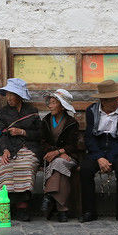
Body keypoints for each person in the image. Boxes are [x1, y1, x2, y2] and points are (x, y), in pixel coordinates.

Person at [80, 80, 118, 222]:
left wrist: (109, 158)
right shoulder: (92, 111)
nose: (117, 101)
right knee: (85, 169)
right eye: (113, 99)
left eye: (117, 98)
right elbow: (89, 138)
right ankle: (89, 211)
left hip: (117, 149)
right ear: (103, 101)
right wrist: (99, 157)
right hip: (97, 148)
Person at [0, 78, 41, 221]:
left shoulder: (32, 111)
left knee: (26, 166)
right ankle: (9, 206)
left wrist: (22, 132)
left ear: (19, 95)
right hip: (10, 148)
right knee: (6, 166)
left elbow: (40, 134)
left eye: (12, 94)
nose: (8, 98)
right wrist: (5, 150)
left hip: (29, 148)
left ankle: (23, 207)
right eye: (7, 94)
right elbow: (1, 134)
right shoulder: (3, 112)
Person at [40, 89, 79, 223]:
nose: (50, 106)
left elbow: (73, 145)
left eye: (53, 103)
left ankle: (49, 195)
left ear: (62, 106)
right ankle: (62, 210)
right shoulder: (45, 121)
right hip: (52, 157)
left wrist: (59, 153)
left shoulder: (71, 123)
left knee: (59, 163)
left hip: (69, 157)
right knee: (59, 167)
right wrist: (57, 153)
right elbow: (42, 142)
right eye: (49, 103)